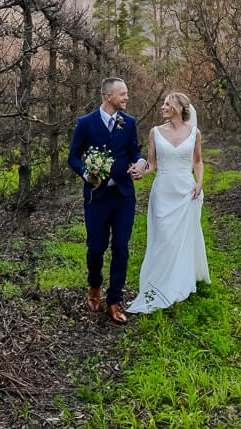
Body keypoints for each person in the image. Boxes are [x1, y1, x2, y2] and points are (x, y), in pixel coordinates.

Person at [68, 77, 147, 324]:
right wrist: (86, 173)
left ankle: (114, 300)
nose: (127, 97)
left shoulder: (129, 122)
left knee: (121, 247)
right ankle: (94, 286)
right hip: (97, 198)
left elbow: (135, 152)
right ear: (108, 96)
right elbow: (73, 157)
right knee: (96, 247)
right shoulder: (85, 123)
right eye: (123, 94)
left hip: (124, 197)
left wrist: (141, 164)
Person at [126, 92, 210, 314]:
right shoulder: (155, 132)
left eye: (166, 104)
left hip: (185, 192)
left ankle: (179, 280)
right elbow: (152, 163)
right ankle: (158, 282)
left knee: (181, 240)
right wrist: (142, 171)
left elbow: (198, 161)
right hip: (163, 192)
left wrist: (199, 183)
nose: (162, 107)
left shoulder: (194, 133)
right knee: (164, 238)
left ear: (178, 108)